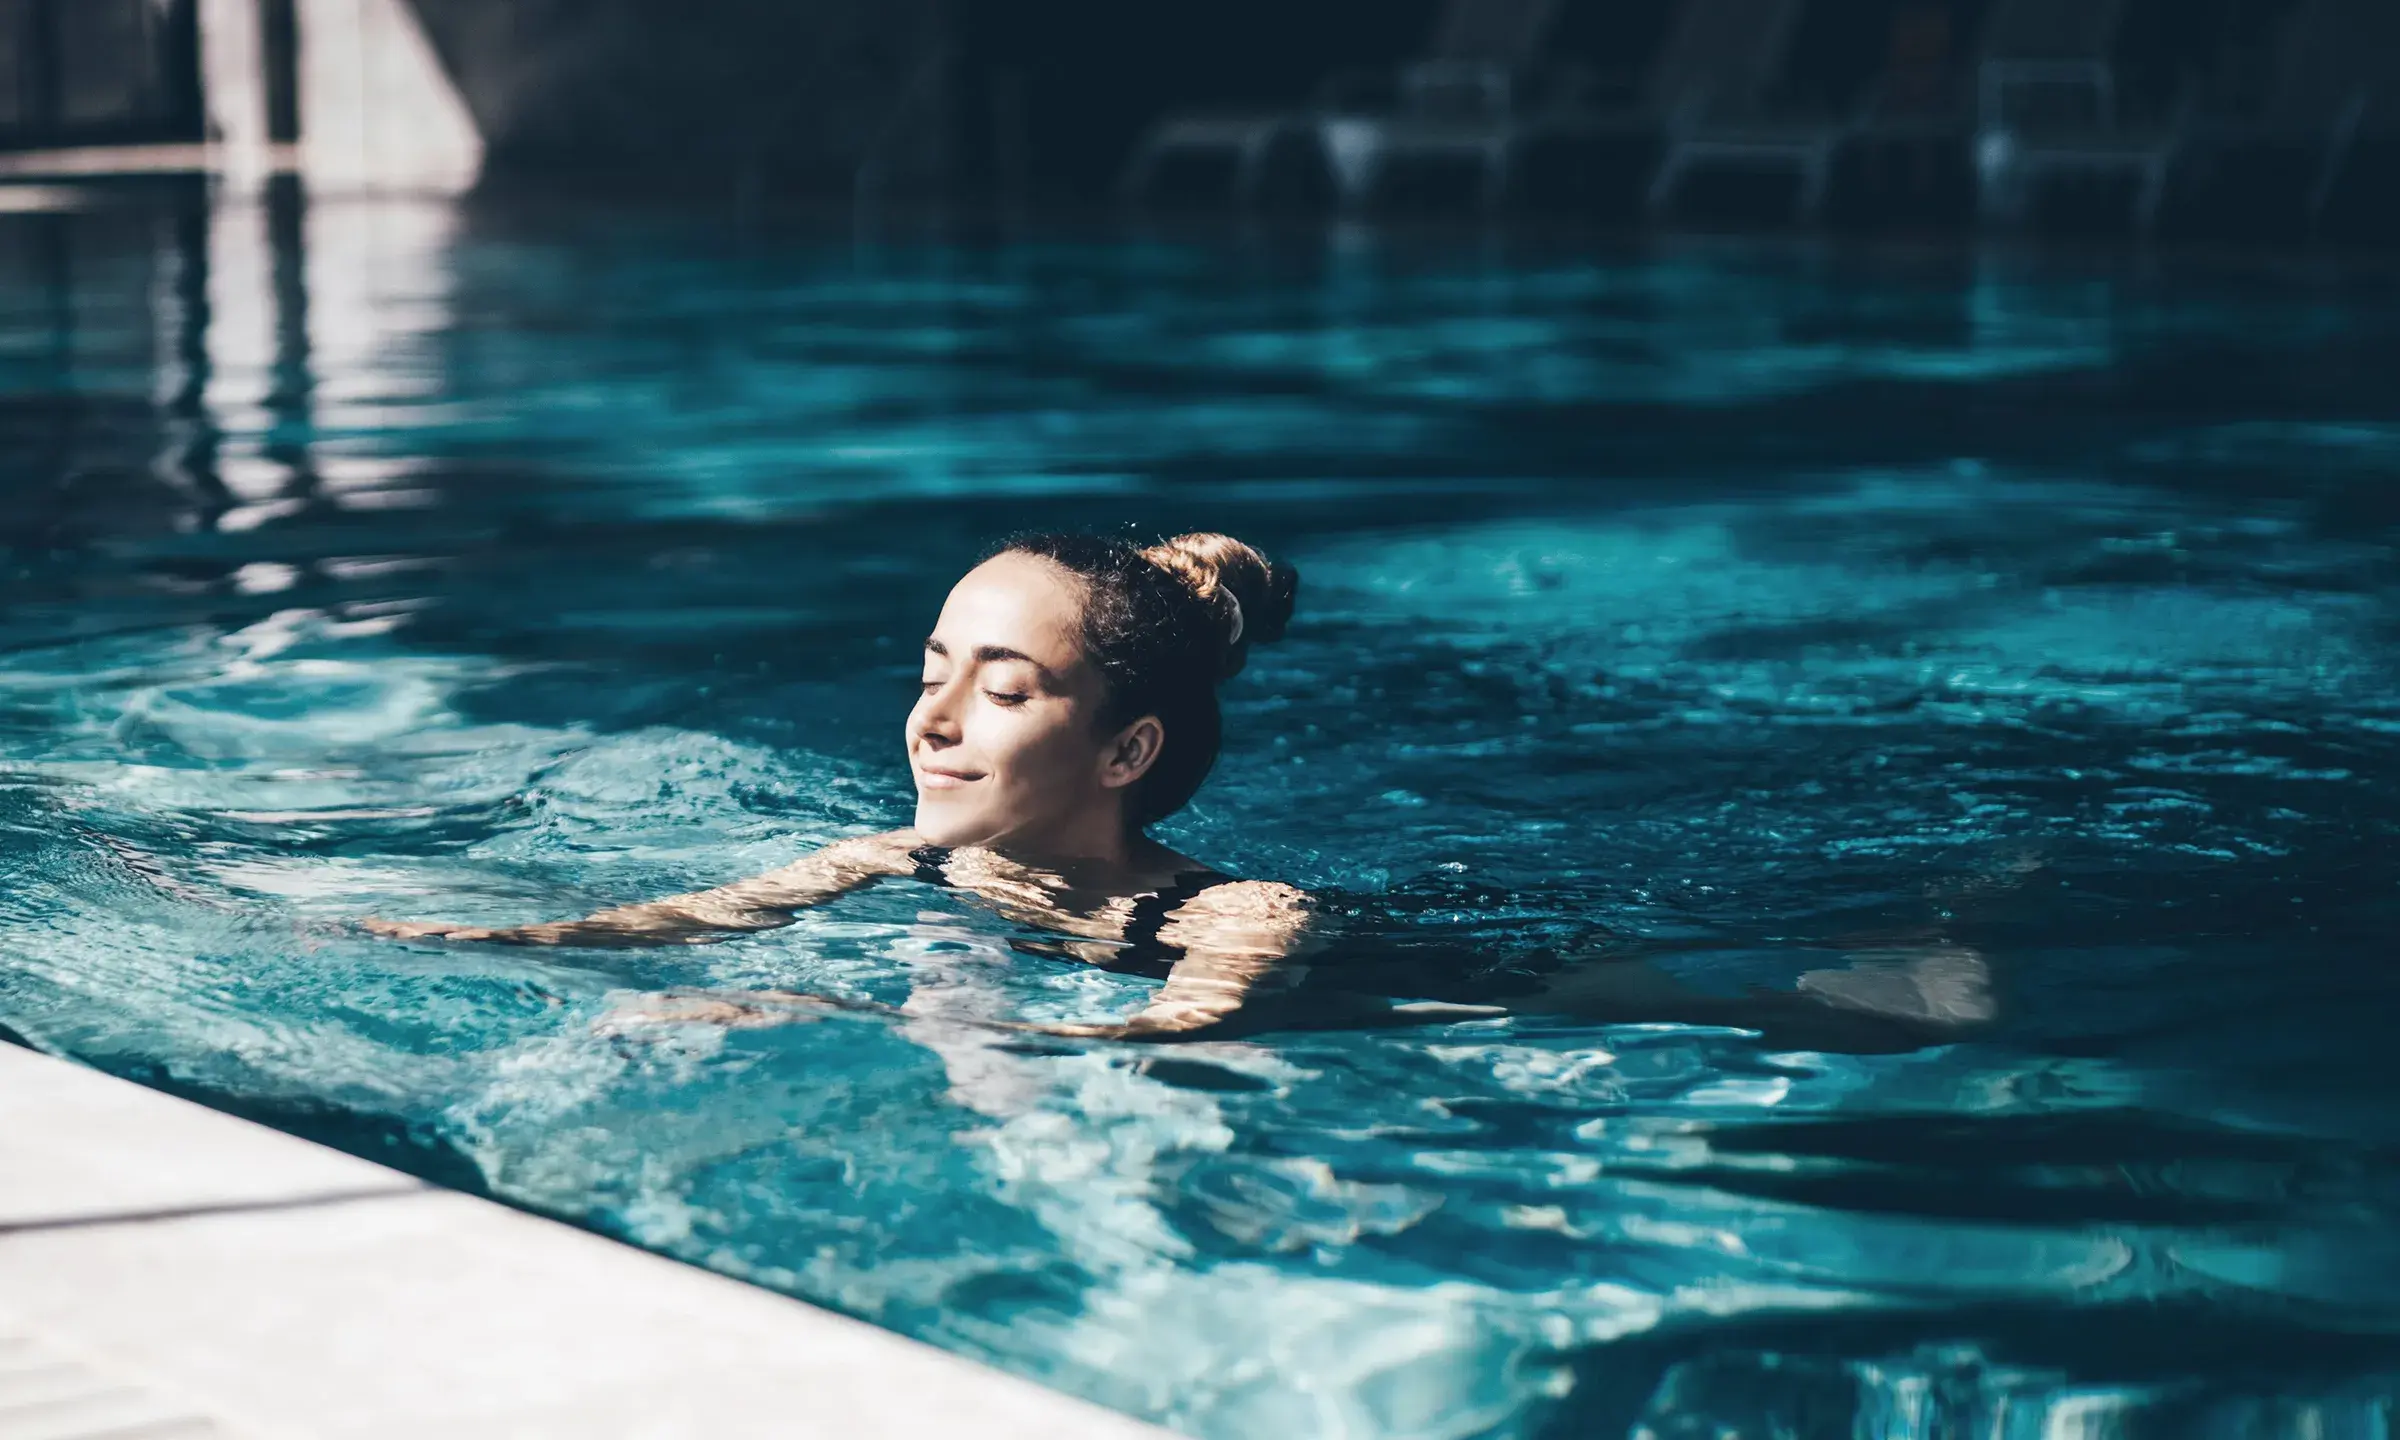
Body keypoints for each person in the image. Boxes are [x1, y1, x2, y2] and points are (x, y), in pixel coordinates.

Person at [368, 531, 1991, 1050]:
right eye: (931, 666)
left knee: (1738, 1005)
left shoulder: (1237, 909)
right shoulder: (893, 857)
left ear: (1126, 751)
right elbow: (654, 921)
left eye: (1003, 687)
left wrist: (829, 1026)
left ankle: (1915, 964)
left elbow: (1168, 1033)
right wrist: (436, 943)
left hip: (1473, 975)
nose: (935, 719)